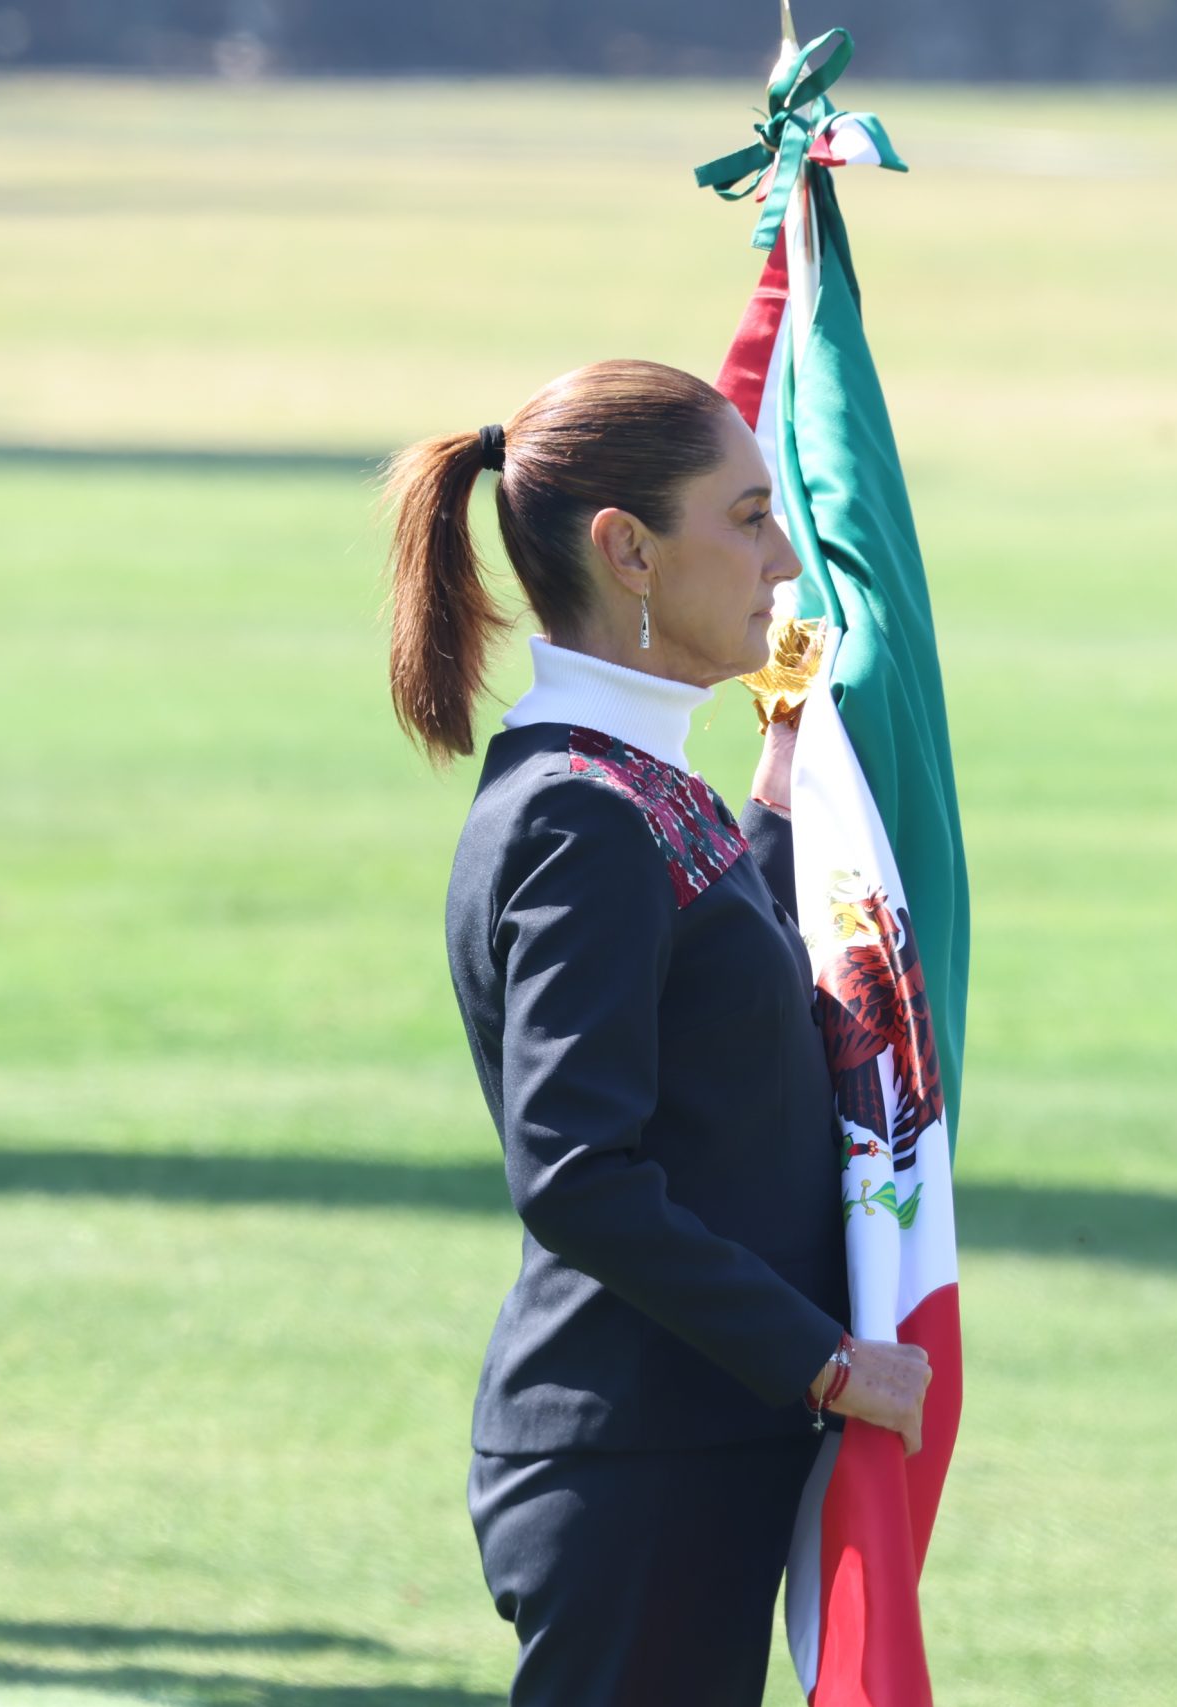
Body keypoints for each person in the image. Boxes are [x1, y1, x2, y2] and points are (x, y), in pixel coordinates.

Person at [380, 357, 931, 1705]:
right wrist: (826, 1363)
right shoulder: (581, 814)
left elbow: (717, 998)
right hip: (637, 1465)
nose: (783, 558)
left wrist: (783, 800)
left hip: (685, 1451)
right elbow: (579, 1174)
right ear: (628, 550)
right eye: (746, 518)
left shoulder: (633, 782)